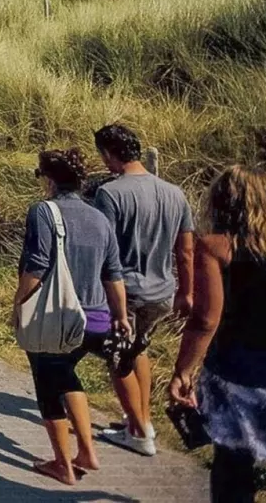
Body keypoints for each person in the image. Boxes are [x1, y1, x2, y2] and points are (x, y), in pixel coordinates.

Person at [169, 167, 266, 502]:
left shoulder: (216, 248)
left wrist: (183, 370)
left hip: (235, 373)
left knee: (233, 467)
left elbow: (205, 320)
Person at [15, 148, 130, 485]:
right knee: (67, 377)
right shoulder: (99, 218)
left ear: (49, 180)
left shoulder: (43, 212)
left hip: (57, 318)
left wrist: (19, 304)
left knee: (48, 387)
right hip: (95, 319)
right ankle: (87, 452)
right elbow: (113, 273)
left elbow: (36, 266)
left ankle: (63, 465)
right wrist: (120, 316)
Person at [90, 123, 195, 457]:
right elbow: (187, 251)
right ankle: (140, 418)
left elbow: (103, 249)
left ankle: (139, 433)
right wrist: (186, 292)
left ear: (109, 153)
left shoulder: (110, 193)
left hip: (126, 291)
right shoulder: (174, 192)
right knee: (139, 350)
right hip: (162, 289)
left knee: (117, 356)